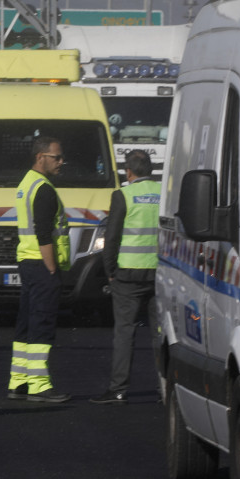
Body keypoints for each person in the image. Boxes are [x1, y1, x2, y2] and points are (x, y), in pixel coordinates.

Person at [91, 150, 161, 405]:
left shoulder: (123, 195)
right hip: (159, 273)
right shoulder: (163, 194)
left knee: (124, 332)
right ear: (151, 170)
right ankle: (165, 388)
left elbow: (111, 237)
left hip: (127, 274)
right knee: (160, 334)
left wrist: (109, 271)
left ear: (128, 172)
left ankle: (118, 389)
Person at [7, 136, 72, 403]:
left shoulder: (26, 184)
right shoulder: (44, 188)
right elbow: (44, 233)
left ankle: (18, 380)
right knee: (41, 323)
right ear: (40, 157)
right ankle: (39, 385)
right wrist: (52, 269)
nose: (61, 162)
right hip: (41, 262)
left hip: (27, 260)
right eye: (56, 157)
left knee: (26, 321)